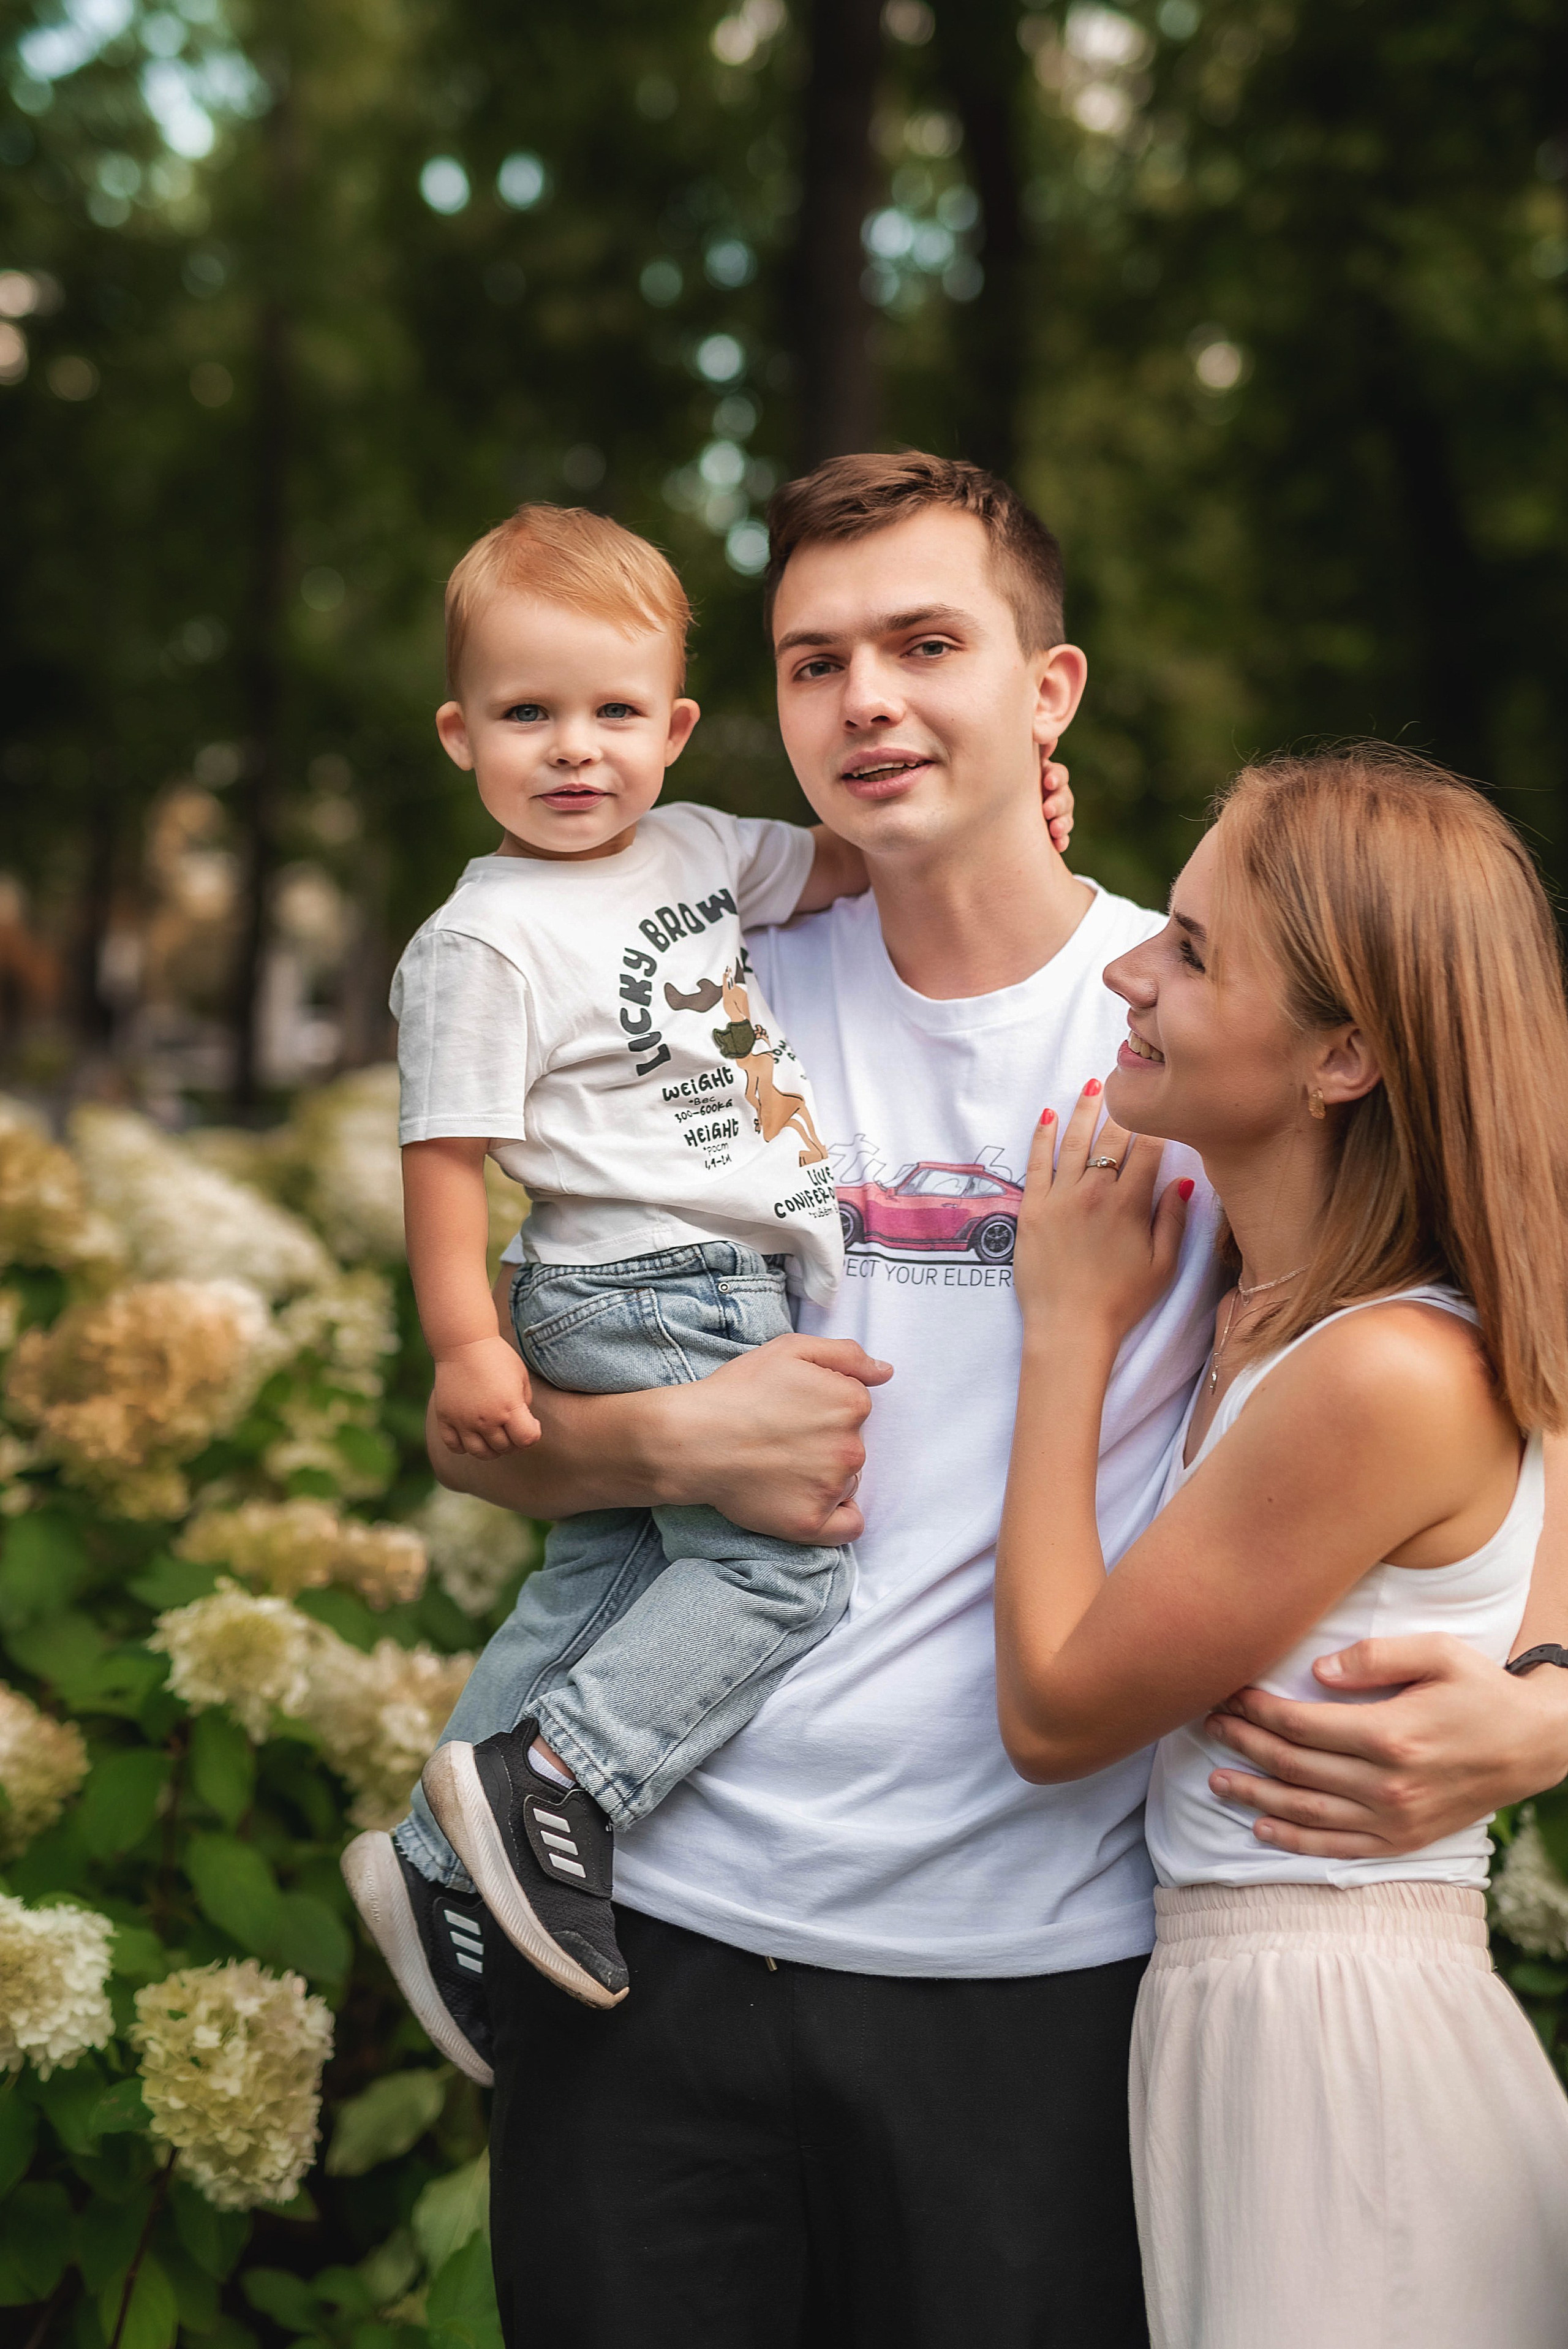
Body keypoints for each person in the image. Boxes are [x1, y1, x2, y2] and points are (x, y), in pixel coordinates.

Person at [422, 455, 1568, 2349]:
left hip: (1040, 1984)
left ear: (1051, 689)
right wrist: (668, 1444)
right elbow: (485, 1416)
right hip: (660, 1942)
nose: (866, 698)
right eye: (814, 661)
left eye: (926, 643)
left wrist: (1545, 1697)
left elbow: (1508, 1338)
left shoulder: (1206, 1030)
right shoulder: (674, 986)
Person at [341, 493, 1082, 2058]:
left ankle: (439, 1850)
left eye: (614, 712)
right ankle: (561, 1783)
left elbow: (829, 859)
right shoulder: (485, 941)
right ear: (458, 734)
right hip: (637, 1294)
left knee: (604, 1577)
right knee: (776, 1563)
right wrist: (473, 1349)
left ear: (675, 728)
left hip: (1005, 1922)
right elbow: (444, 1176)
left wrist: (1017, 801)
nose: (573, 749)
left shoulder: (701, 856)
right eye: (526, 716)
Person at [994, 746, 1568, 2348]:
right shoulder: (1287, 1302)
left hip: (1343, 2062)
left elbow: (1053, 1711)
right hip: (1250, 2027)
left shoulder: (1381, 1372)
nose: (1128, 967)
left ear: (1344, 1059)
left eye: (1188, 949)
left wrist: (1064, 1340)